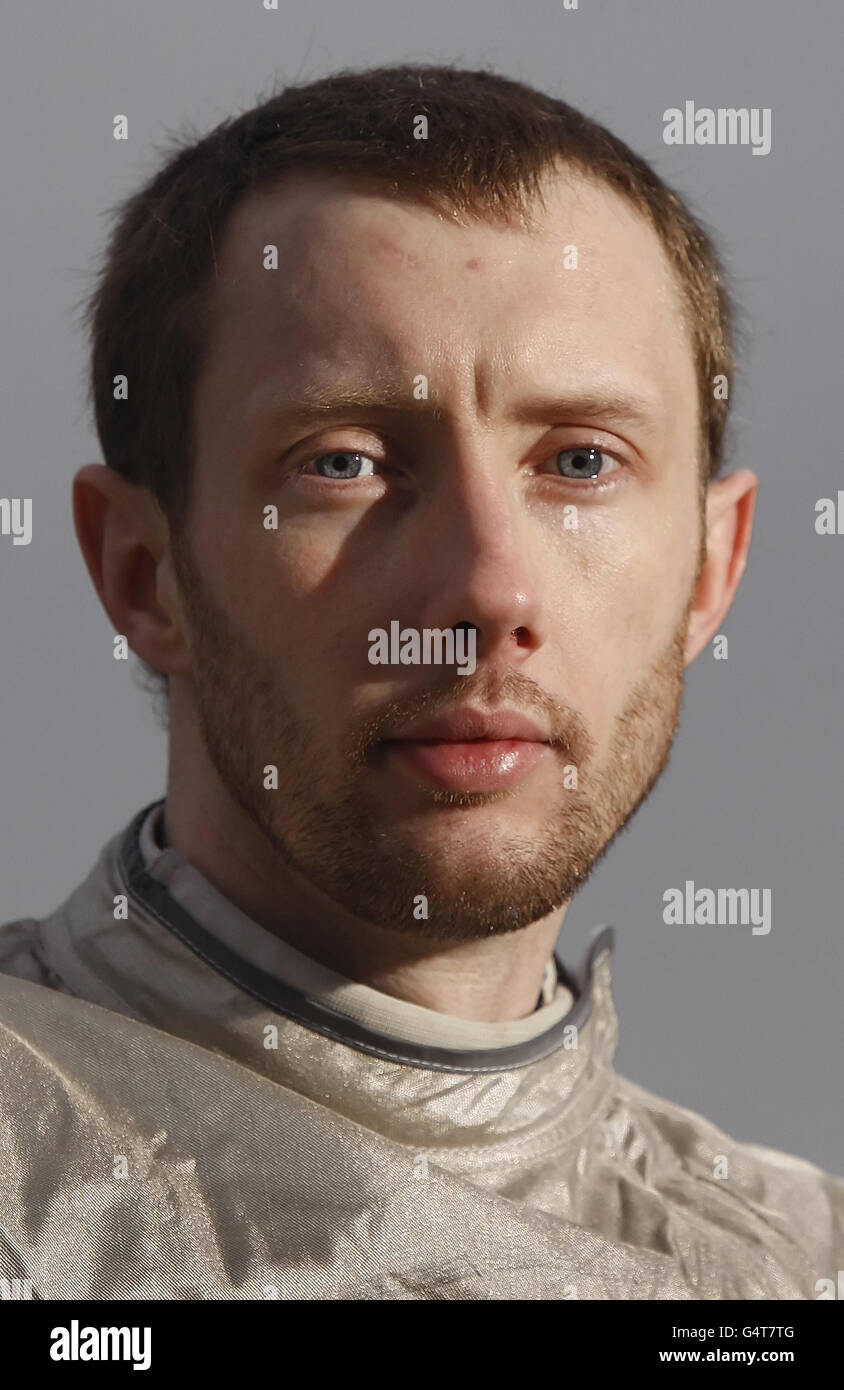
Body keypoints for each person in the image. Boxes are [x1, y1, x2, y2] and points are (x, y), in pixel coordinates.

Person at [0, 63, 840, 1301]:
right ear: (143, 571)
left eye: (579, 461)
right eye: (344, 460)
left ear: (710, 569)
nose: (488, 590)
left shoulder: (797, 1267)